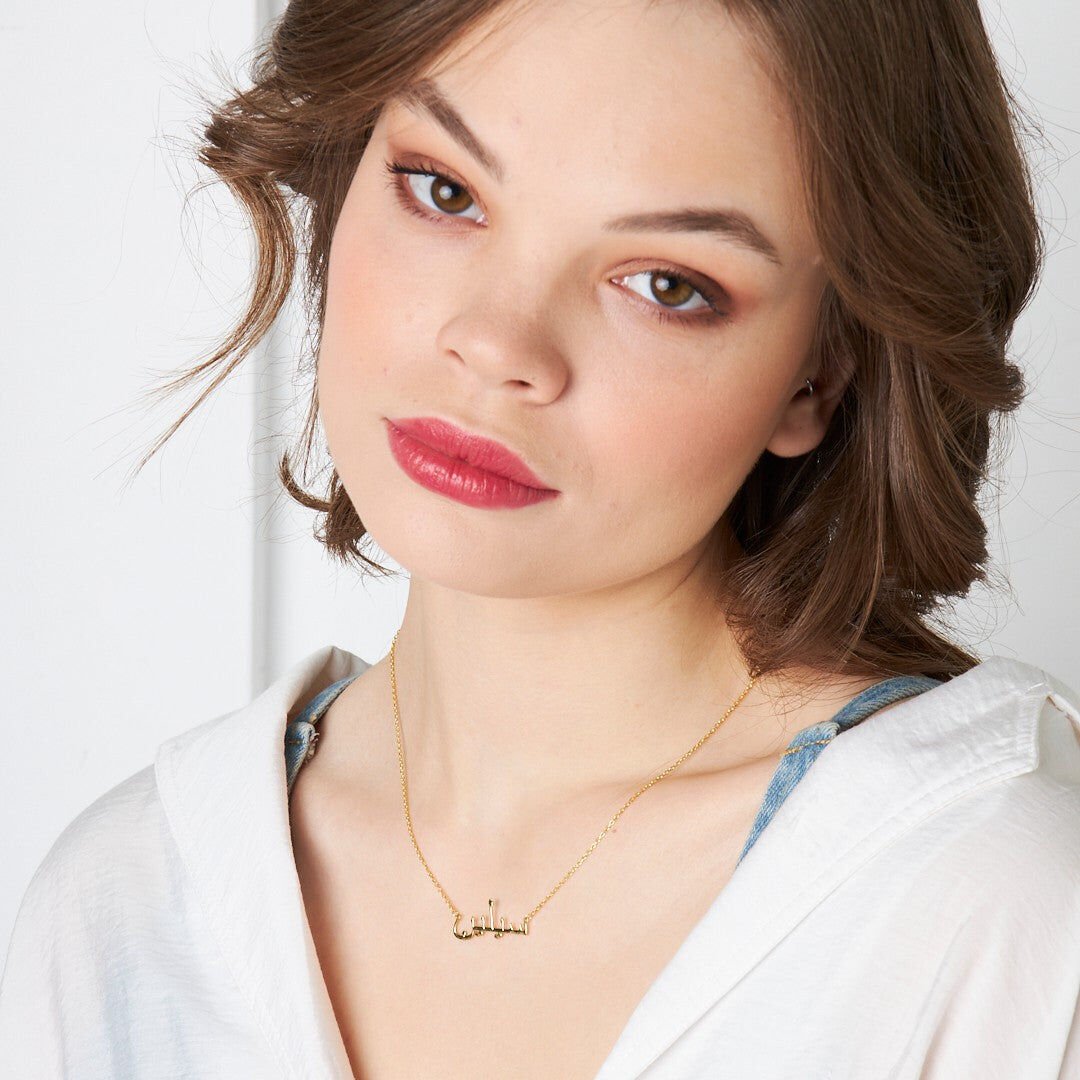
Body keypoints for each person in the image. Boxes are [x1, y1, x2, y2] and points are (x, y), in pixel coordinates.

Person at [2, 0, 1079, 1076]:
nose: (496, 343)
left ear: (821, 371)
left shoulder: (995, 913)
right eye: (445, 191)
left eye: (666, 286)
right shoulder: (127, 905)